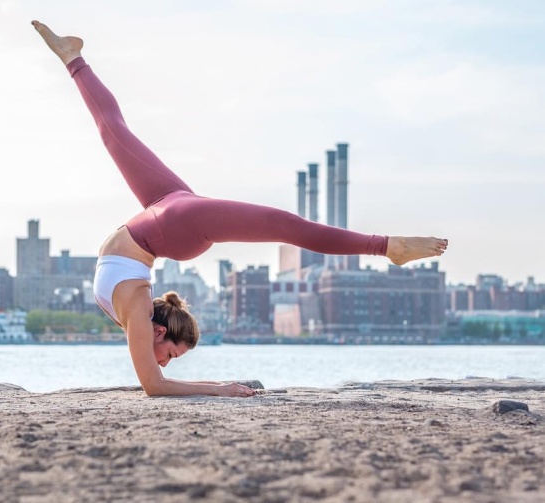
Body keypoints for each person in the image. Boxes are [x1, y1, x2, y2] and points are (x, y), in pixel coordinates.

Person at [31, 21, 448, 398]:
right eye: (172, 356)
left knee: (283, 224)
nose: (164, 360)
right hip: (164, 219)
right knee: (115, 135)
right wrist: (222, 387)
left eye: (171, 355)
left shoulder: (140, 314)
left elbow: (154, 388)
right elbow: (157, 381)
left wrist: (221, 391)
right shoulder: (139, 311)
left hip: (170, 220)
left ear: (159, 331)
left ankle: (386, 246)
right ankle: (73, 57)